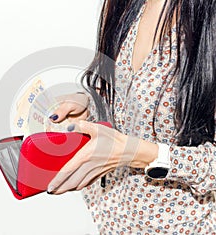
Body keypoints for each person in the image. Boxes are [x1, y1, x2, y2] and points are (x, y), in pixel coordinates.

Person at [47, 0, 216, 234]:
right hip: (112, 218)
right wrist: (92, 104)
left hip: (183, 225)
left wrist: (143, 154)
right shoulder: (122, 5)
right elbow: (135, 95)